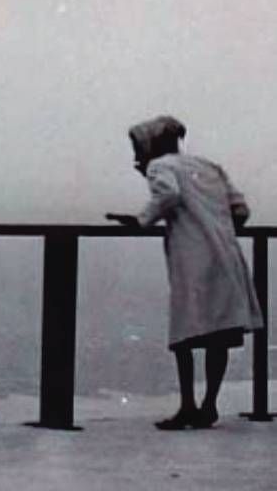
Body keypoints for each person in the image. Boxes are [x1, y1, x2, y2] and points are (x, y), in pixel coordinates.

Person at [106, 115, 263, 430]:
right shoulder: (208, 166)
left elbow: (169, 195)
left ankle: (188, 405)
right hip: (226, 256)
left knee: (184, 333)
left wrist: (141, 220)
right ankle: (209, 405)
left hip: (192, 260)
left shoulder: (159, 167)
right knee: (219, 331)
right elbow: (240, 210)